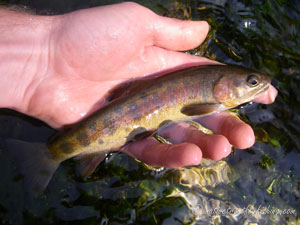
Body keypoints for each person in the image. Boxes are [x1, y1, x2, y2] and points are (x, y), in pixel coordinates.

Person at [0, 2, 277, 168]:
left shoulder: (211, 94)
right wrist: (44, 52)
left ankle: (52, 155)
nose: (257, 85)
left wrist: (41, 55)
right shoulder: (210, 100)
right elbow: (196, 111)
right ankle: (48, 156)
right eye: (251, 82)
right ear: (223, 85)